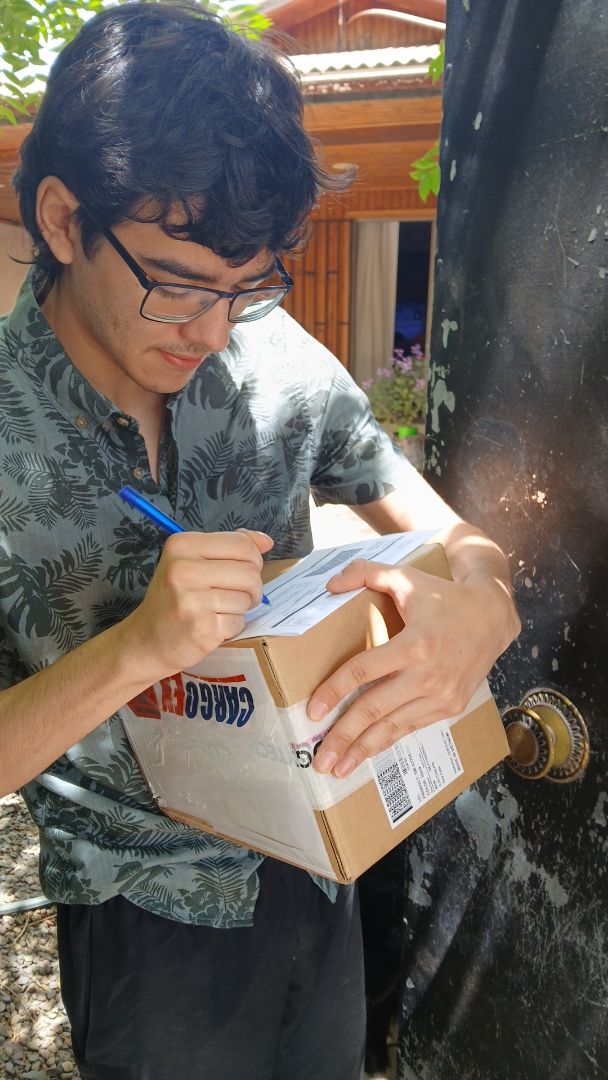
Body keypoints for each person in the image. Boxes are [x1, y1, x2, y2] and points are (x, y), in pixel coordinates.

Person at [0, 3, 520, 1078]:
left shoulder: (268, 350)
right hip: (150, 915)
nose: (210, 330)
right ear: (62, 219)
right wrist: (136, 650)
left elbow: (450, 533)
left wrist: (483, 603)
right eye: (175, 283)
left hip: (323, 856)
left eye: (246, 285)